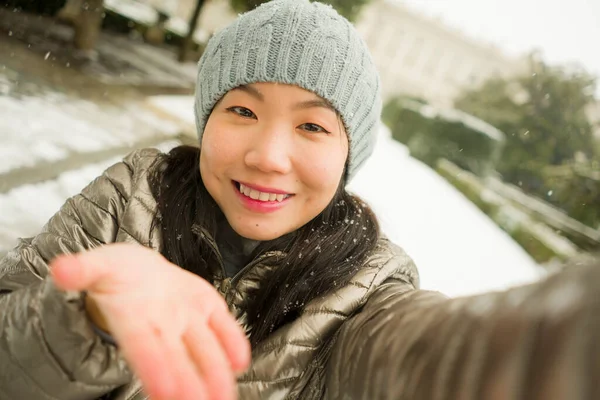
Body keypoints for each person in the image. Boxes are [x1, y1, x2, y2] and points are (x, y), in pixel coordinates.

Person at [1, 1, 600, 399]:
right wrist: (87, 319)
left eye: (313, 127)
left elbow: (433, 356)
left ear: (348, 156)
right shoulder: (128, 198)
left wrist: (560, 340)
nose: (268, 155)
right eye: (242, 110)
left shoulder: (365, 289)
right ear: (206, 119)